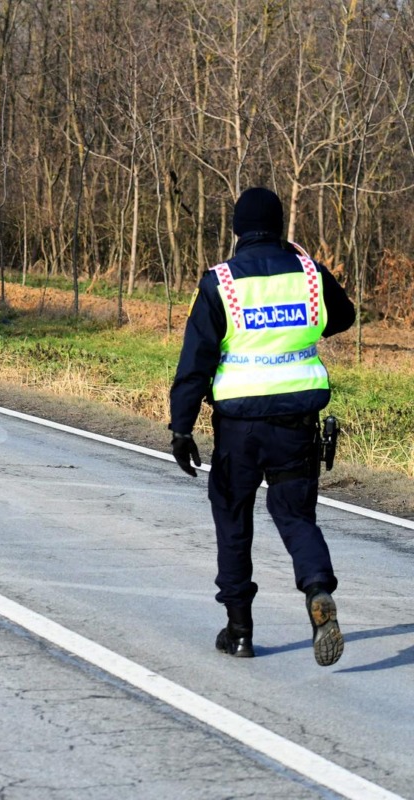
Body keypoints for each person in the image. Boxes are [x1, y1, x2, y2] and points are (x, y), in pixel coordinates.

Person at [168, 186, 356, 667]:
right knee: (296, 516)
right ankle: (317, 588)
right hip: (296, 425)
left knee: (233, 521)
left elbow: (196, 360)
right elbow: (345, 316)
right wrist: (305, 270)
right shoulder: (309, 275)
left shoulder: (221, 282)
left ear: (236, 230)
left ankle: (240, 631)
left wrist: (181, 427)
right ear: (280, 228)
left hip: (239, 429)